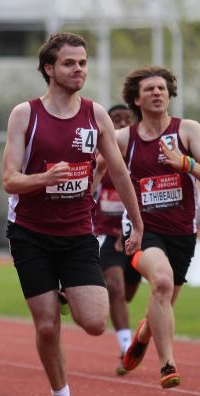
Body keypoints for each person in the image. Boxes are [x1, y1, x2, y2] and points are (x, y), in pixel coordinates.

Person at [2, 32, 143, 396]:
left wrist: (137, 221)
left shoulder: (96, 114)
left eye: (83, 62)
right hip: (29, 232)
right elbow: (9, 180)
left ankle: (65, 293)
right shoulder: (25, 114)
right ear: (49, 68)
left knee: (96, 322)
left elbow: (119, 170)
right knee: (47, 323)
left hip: (78, 232)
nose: (79, 69)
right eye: (69, 63)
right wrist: (44, 178)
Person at [118, 66, 200, 388]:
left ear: (169, 95)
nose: (156, 93)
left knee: (164, 295)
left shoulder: (188, 131)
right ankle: (167, 364)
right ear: (136, 99)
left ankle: (143, 333)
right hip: (142, 230)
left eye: (162, 88)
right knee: (162, 284)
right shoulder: (125, 139)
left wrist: (185, 164)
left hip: (181, 233)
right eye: (149, 89)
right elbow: (95, 172)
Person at [93, 104, 141, 375]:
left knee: (128, 293)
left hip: (134, 233)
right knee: (115, 287)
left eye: (126, 119)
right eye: (116, 120)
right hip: (105, 233)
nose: (122, 123)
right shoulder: (99, 157)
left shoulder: (140, 158)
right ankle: (125, 346)